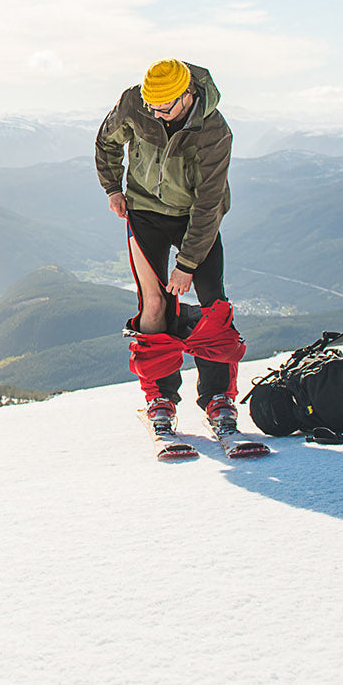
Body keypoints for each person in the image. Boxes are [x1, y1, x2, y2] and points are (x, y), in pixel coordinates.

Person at [94, 58, 245, 434]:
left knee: (213, 303)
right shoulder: (136, 103)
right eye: (152, 106)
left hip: (194, 216)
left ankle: (217, 398)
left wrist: (188, 263)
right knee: (154, 302)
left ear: (187, 95)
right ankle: (160, 397)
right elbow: (106, 141)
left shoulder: (214, 132)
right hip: (144, 211)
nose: (157, 115)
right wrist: (113, 187)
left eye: (164, 107)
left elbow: (209, 203)